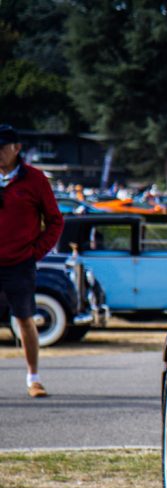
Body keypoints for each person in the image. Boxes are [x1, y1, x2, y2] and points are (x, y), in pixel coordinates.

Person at [0, 124, 64, 398]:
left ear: (16, 149)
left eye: (2, 148)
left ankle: (33, 378)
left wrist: (36, 252)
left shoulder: (35, 180)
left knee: (25, 319)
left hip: (20, 263)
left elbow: (55, 221)